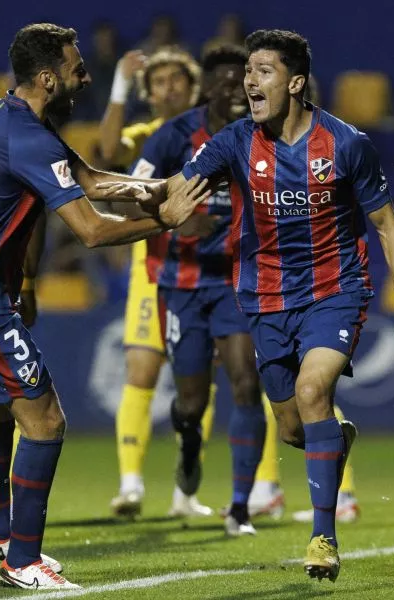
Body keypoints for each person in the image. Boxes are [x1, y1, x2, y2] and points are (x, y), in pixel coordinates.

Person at [103, 29, 394, 581]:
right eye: (248, 71)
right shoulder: (233, 142)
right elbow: (176, 194)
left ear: (296, 82)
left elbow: (389, 227)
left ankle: (323, 536)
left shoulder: (347, 145)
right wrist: (93, 192)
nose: (249, 81)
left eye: (263, 71)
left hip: (334, 292)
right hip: (266, 298)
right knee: (295, 427)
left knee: (312, 389)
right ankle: (332, 441)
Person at [0, 23, 208, 590]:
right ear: (49, 77)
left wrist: (157, 186)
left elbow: (91, 178)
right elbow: (93, 232)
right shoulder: (28, 138)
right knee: (46, 421)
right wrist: (164, 220)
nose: (85, 74)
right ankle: (22, 562)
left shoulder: (12, 118)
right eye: (77, 68)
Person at [130, 44, 268, 536]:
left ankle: (239, 508)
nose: (239, 90)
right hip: (182, 284)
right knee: (191, 403)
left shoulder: (265, 136)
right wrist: (173, 223)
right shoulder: (176, 135)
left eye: (247, 81)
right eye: (228, 82)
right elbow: (133, 194)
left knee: (247, 384)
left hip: (238, 282)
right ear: (207, 88)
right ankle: (189, 443)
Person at [98, 47, 218, 518]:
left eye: (178, 80)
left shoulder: (216, 137)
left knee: (197, 384)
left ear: (193, 89)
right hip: (153, 272)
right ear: (149, 93)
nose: (169, 88)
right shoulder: (146, 134)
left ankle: (186, 493)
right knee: (142, 373)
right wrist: (119, 86)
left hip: (208, 270)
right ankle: (130, 485)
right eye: (160, 82)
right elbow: (108, 153)